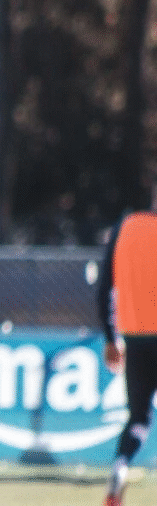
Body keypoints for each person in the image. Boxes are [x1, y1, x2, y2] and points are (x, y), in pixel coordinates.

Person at [97, 181, 157, 506]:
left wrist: (110, 338)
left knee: (138, 418)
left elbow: (105, 287)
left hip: (134, 338)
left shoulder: (125, 229)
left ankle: (120, 466)